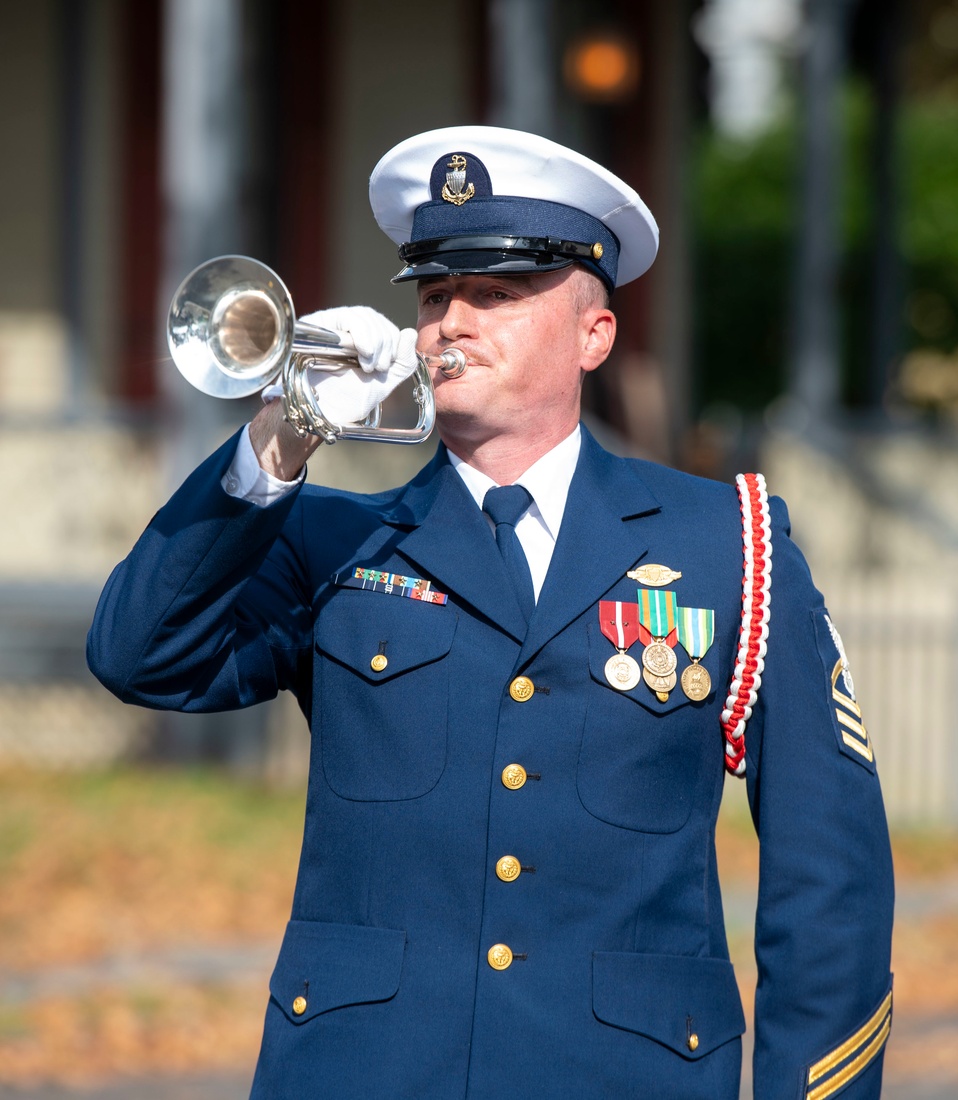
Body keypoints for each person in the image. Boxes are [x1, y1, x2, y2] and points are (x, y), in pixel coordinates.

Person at [88, 126, 894, 1099]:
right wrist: (279, 435)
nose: (449, 323)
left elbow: (829, 877)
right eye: (433, 296)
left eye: (497, 293)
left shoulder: (726, 543)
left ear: (593, 334)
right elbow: (139, 654)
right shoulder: (330, 539)